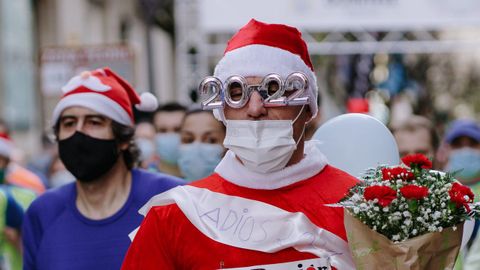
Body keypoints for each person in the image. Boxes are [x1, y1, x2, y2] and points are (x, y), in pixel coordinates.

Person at [122, 19, 359, 269]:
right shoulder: (175, 214)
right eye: (237, 95)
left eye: (274, 91)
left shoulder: (362, 207)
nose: (255, 109)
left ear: (308, 108)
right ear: (221, 110)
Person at [22, 67, 184, 270]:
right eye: (69, 123)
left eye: (94, 122)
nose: (78, 133)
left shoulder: (172, 200)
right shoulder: (43, 211)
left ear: (122, 138)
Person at [177, 107, 226, 182]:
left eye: (210, 140)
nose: (197, 147)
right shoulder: (168, 192)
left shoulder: (239, 192)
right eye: (188, 140)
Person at [152, 102, 186, 177]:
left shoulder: (202, 178)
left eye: (177, 130)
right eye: (162, 130)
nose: (171, 135)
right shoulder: (145, 180)